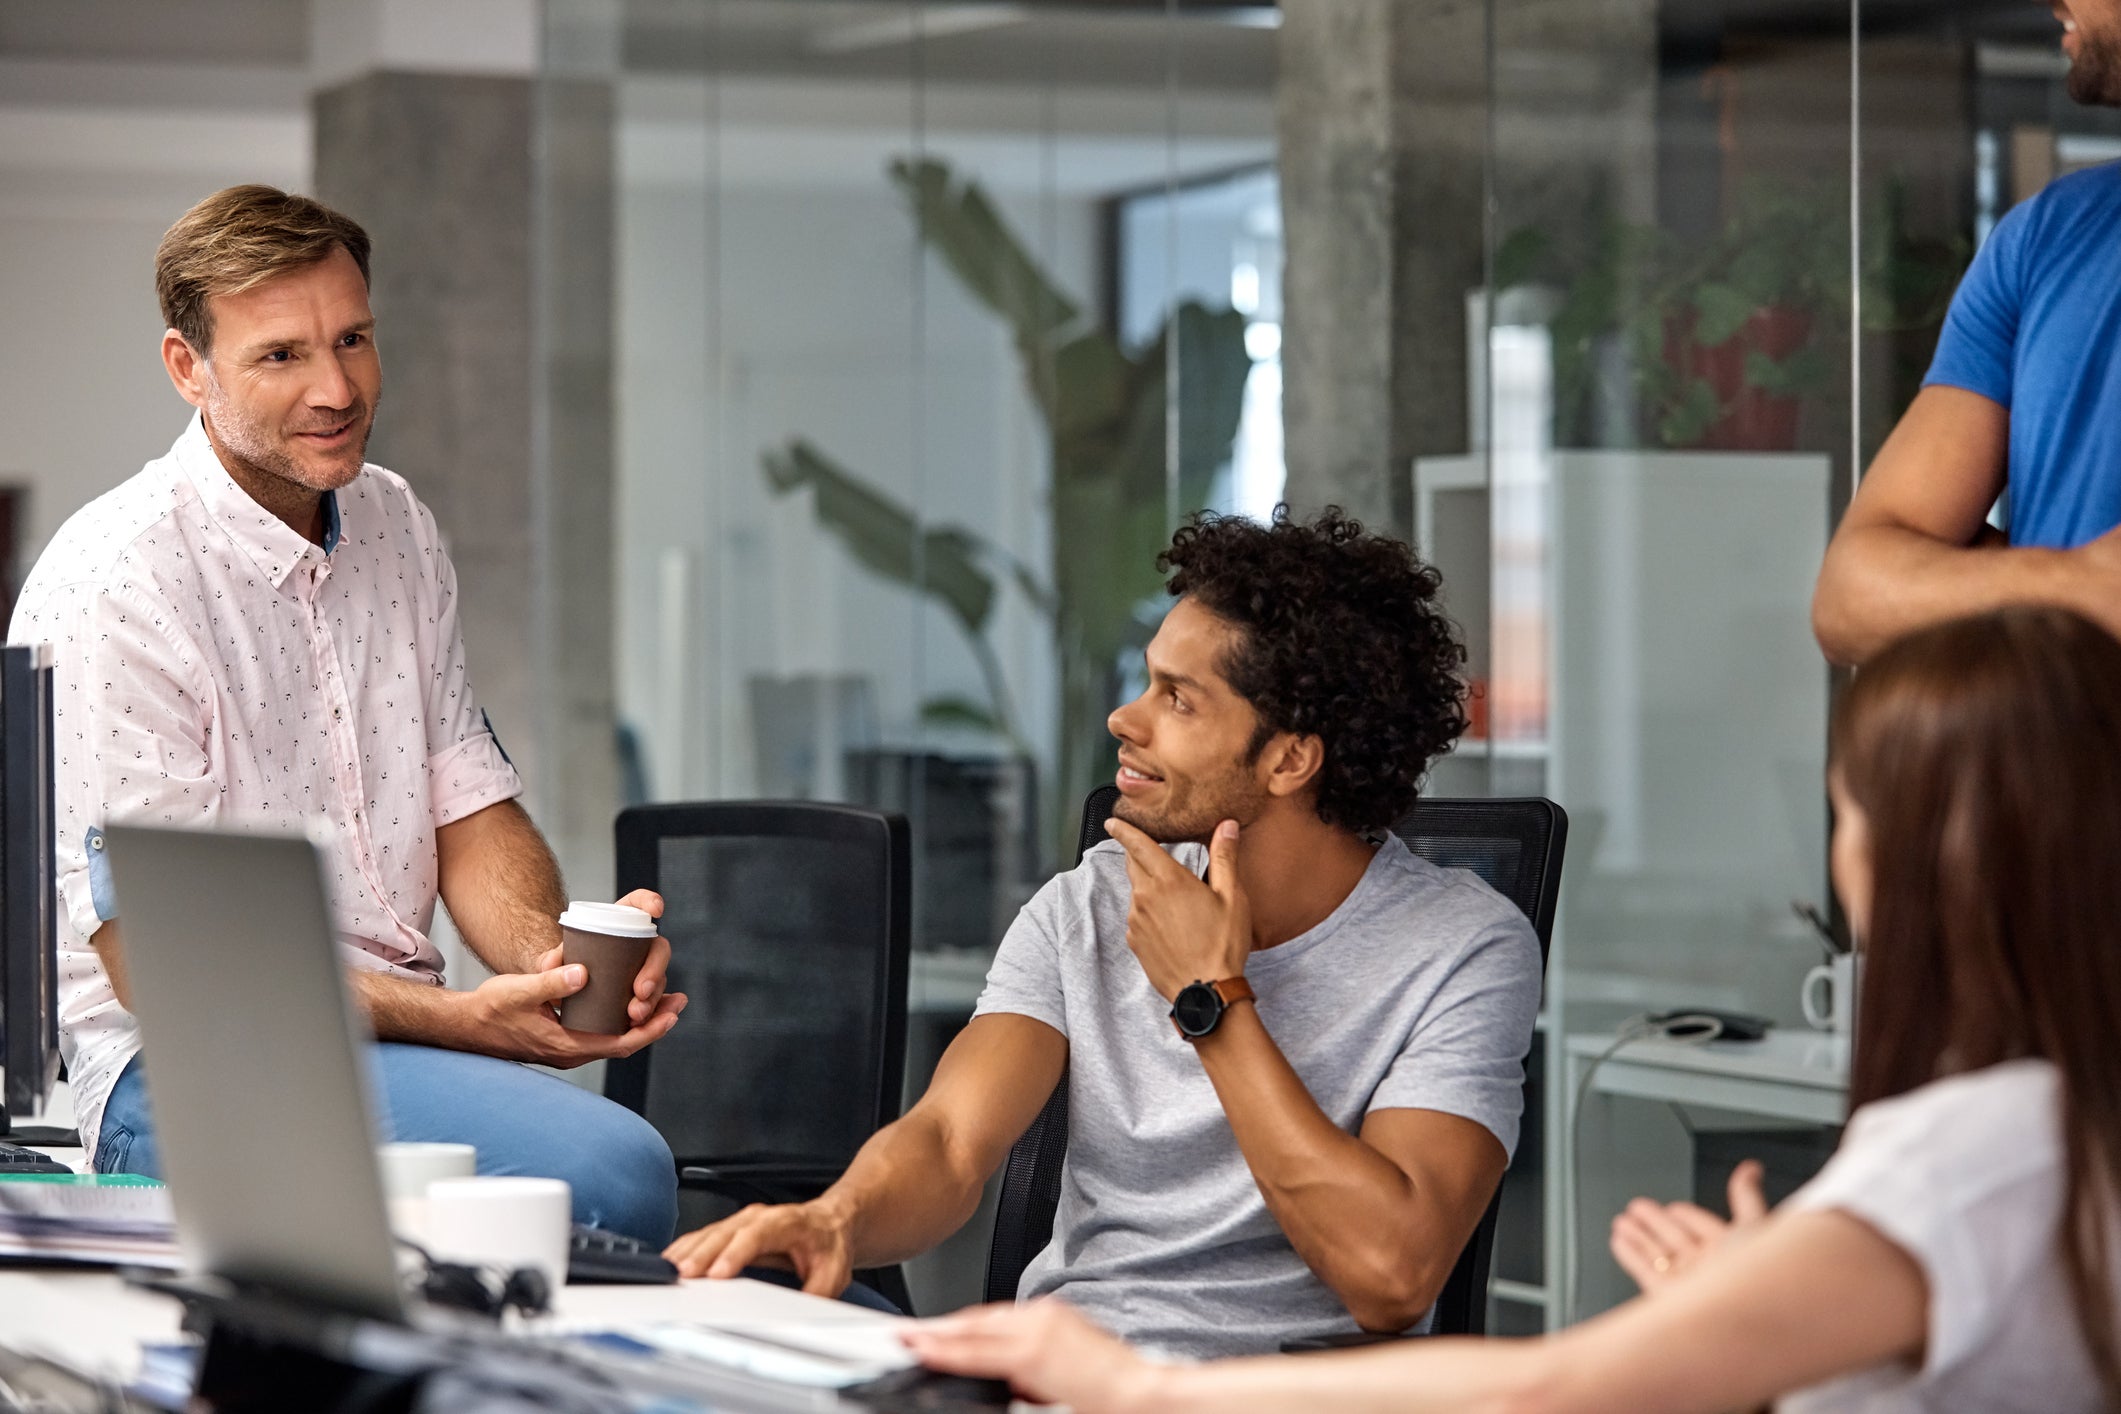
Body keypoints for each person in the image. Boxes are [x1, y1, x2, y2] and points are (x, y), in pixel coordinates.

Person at [901, 605, 2121, 1414]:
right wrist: (1783, 1286)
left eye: (1849, 819)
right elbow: (951, 1138)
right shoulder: (2048, 1137)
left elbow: (1547, 1383)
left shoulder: (1979, 1154)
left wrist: (1133, 1389)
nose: (1840, 865)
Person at [665, 508, 1542, 1357]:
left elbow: (1390, 1277)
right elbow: (949, 1141)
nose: (1126, 719)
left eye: (1179, 700)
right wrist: (838, 1219)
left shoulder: (1462, 949)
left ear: (1288, 760)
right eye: (1146, 682)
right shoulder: (1087, 903)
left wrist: (1212, 1000)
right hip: (1061, 1374)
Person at [9, 185, 686, 1242]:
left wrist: (549, 969)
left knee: (617, 1195)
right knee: (612, 1176)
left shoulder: (395, 524)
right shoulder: (119, 583)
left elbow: (467, 803)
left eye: (354, 339)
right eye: (281, 355)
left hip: (388, 1047)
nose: (336, 387)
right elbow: (168, 963)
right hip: (183, 1067)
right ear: (190, 369)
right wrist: (461, 1020)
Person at [1812, 4, 2121, 665]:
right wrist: (2077, 584)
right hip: (2048, 765)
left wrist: (1974, 578)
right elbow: (1851, 597)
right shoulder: (2044, 237)